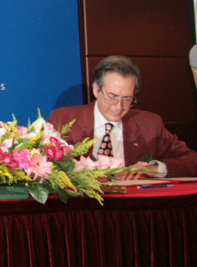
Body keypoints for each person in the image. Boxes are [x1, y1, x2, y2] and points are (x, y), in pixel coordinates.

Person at [48, 55, 197, 179]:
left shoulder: (150, 124)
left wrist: (153, 168)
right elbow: (49, 167)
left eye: (127, 98)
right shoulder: (63, 119)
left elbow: (192, 161)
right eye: (112, 96)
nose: (119, 107)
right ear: (96, 89)